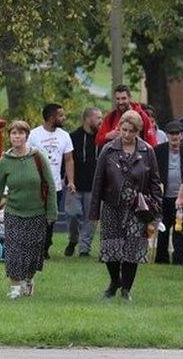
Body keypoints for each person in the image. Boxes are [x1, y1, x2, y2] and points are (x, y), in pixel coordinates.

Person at [90, 110, 162, 301]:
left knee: (133, 248)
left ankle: (126, 289)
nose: (127, 134)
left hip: (137, 207)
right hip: (112, 204)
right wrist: (94, 211)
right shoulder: (108, 149)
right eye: (124, 130)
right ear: (119, 128)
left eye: (132, 131)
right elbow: (98, 181)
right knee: (110, 247)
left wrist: (156, 212)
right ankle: (115, 281)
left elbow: (155, 181)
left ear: (138, 131)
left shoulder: (147, 151)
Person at [0, 120, 58, 299]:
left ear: (27, 136)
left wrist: (51, 213)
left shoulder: (37, 157)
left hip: (37, 213)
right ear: (9, 136)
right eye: (13, 133)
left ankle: (29, 280)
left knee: (33, 252)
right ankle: (16, 287)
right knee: (14, 251)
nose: (17, 137)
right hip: (14, 213)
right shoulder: (5, 160)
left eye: (20, 133)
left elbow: (50, 185)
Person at [28, 103, 75, 259]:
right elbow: (27, 157)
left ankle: (46, 245)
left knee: (51, 217)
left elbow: (69, 160)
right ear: (51, 117)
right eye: (60, 115)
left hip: (55, 185)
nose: (64, 118)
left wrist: (71, 181)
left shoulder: (64, 136)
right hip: (36, 184)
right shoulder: (34, 135)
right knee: (37, 216)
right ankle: (36, 247)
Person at [153, 120, 183, 264]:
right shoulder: (158, 150)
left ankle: (179, 260)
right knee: (162, 228)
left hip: (181, 198)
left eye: (177, 134)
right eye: (172, 134)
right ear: (167, 135)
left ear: (182, 135)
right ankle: (161, 259)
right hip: (163, 197)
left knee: (180, 230)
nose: (175, 137)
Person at [67, 107, 102, 257]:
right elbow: (67, 159)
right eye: (98, 118)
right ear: (88, 119)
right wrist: (69, 180)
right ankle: (73, 239)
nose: (101, 121)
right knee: (73, 214)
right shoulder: (73, 137)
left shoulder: (101, 139)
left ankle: (84, 248)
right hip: (74, 184)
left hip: (93, 185)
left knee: (90, 217)